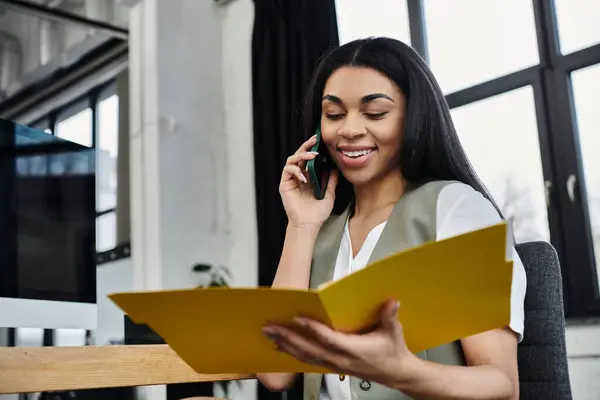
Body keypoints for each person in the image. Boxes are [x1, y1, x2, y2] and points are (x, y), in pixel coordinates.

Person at [256, 37, 526, 400]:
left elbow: (503, 385)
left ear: (412, 116)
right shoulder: (323, 231)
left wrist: (402, 371)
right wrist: (301, 225)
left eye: (375, 113)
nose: (349, 130)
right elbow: (274, 375)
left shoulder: (456, 209)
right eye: (334, 114)